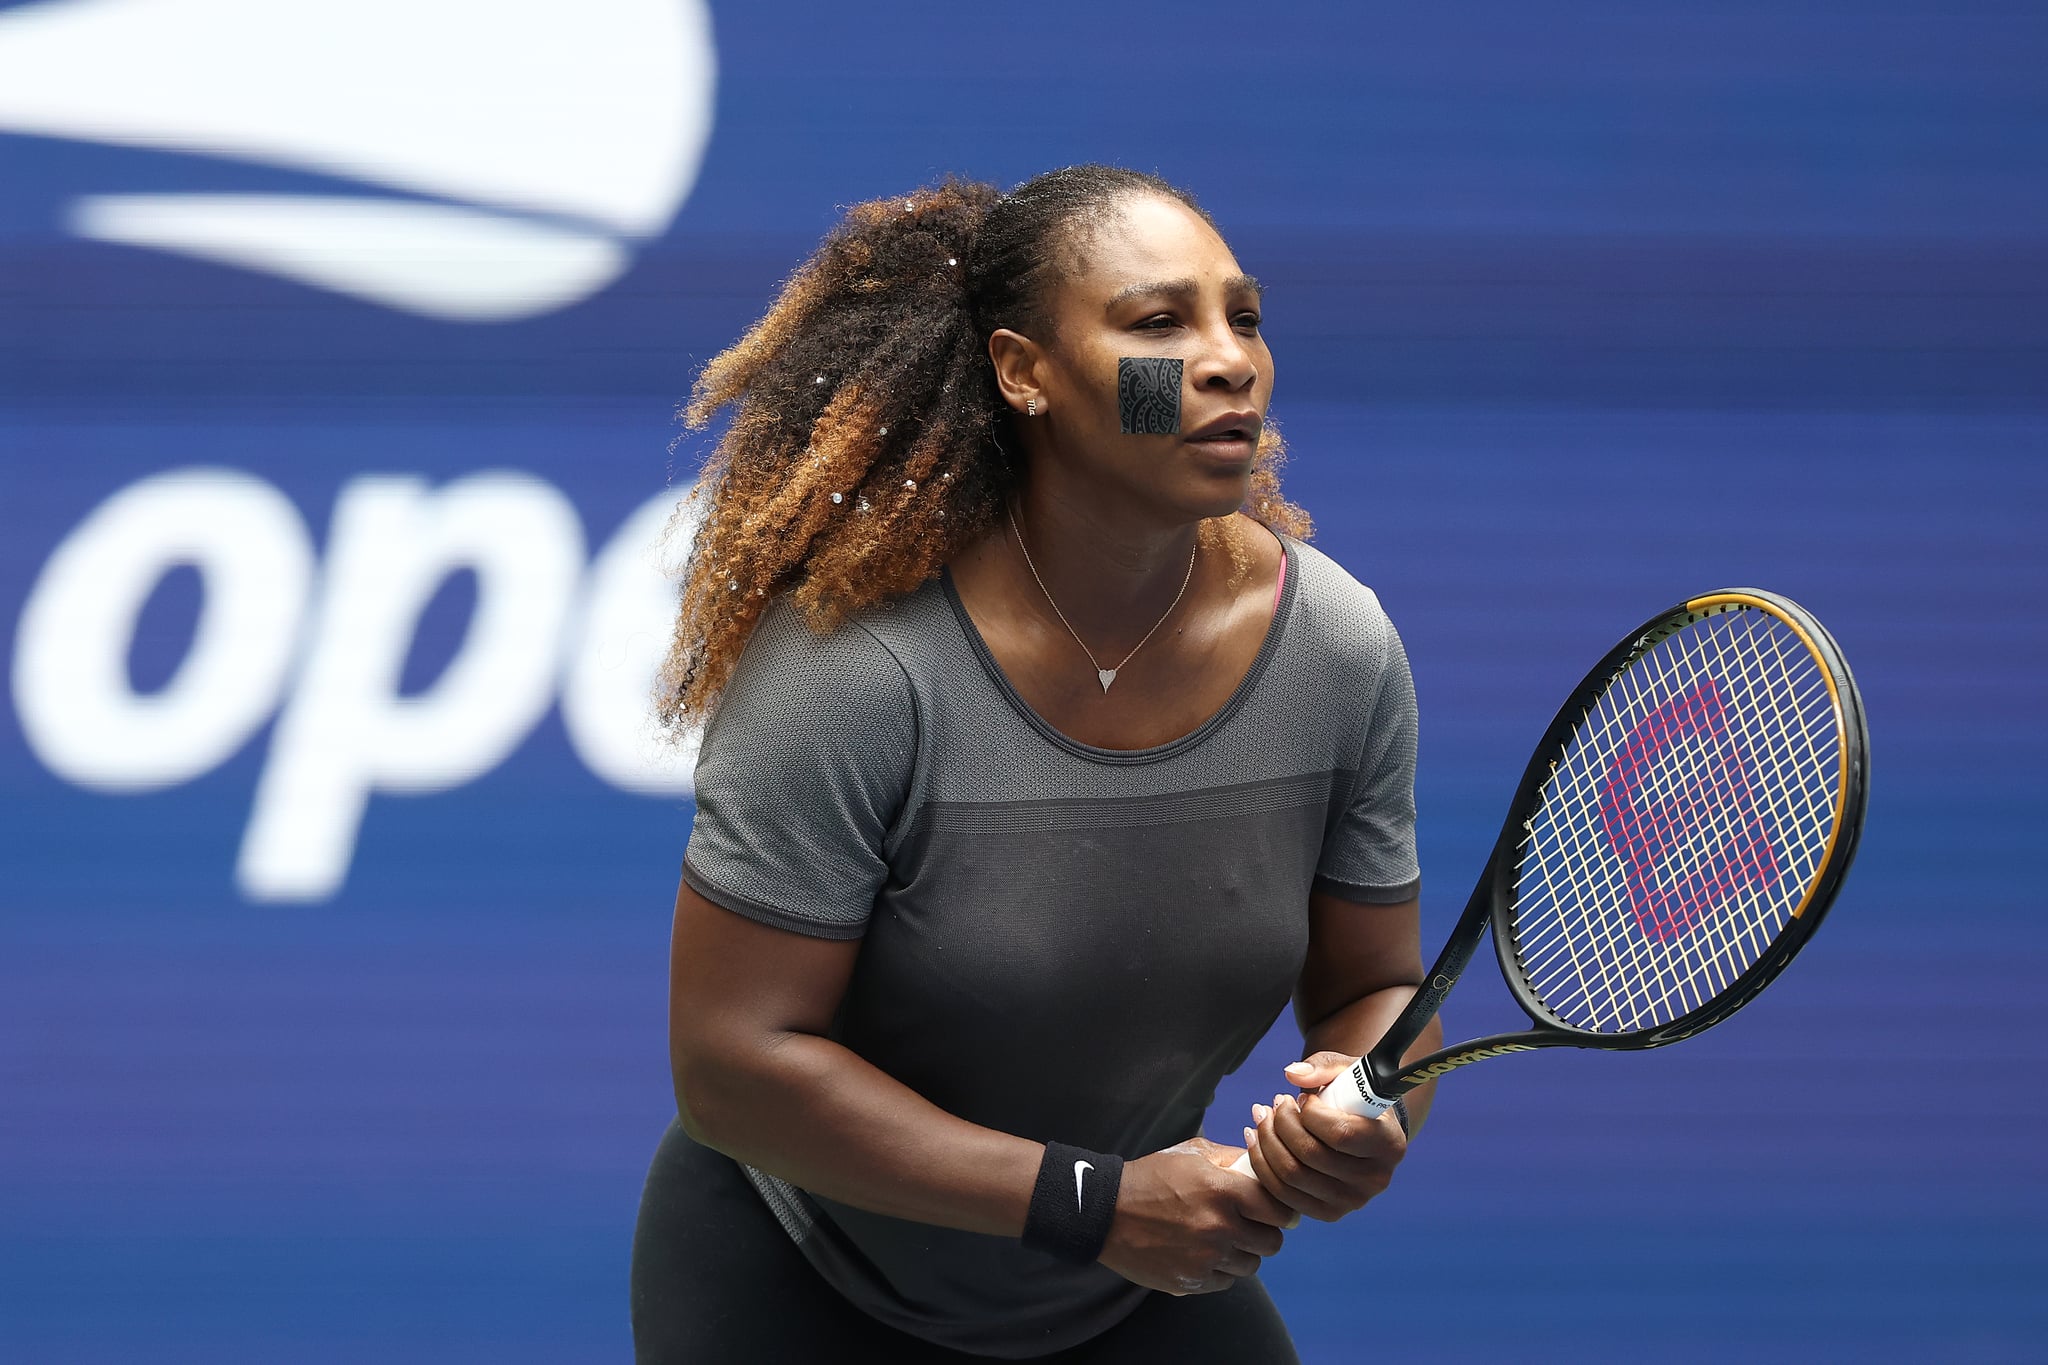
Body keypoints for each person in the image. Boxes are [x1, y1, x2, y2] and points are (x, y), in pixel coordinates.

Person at [630, 165, 1443, 1363]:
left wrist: (1370, 1104)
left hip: (1127, 1287)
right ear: (1023, 374)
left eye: (1244, 316)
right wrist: (1094, 1204)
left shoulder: (1335, 649)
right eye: (1158, 324)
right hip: (801, 1284)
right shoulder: (857, 670)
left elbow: (1375, 985)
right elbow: (732, 1068)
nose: (1228, 361)